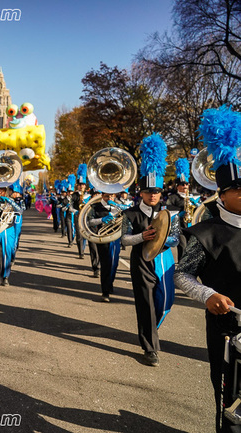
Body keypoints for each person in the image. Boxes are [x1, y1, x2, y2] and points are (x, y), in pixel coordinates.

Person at [174, 106, 241, 433]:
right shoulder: (206, 232)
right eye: (240, 189)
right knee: (230, 406)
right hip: (228, 330)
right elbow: (181, 274)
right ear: (223, 194)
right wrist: (208, 294)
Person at [121, 134, 180, 367]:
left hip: (164, 261)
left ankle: (149, 330)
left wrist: (165, 238)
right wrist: (141, 237)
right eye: (148, 191)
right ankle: (150, 347)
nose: (153, 195)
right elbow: (124, 240)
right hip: (141, 262)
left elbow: (176, 239)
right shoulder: (130, 214)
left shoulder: (170, 213)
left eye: (156, 191)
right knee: (145, 303)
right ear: (141, 192)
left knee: (165, 303)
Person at [85, 192, 122, 302]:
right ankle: (105, 292)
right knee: (106, 264)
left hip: (116, 238)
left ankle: (109, 283)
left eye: (112, 196)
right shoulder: (95, 207)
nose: (109, 198)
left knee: (114, 264)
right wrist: (101, 220)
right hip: (102, 238)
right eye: (107, 196)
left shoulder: (118, 206)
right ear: (102, 196)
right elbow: (89, 222)